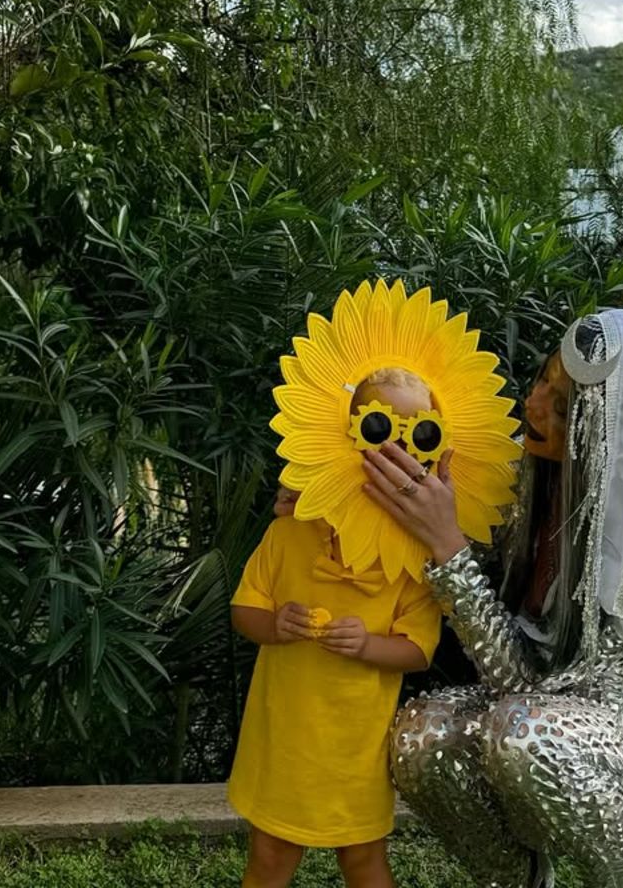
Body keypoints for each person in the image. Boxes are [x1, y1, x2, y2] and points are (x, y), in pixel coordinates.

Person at [361, 309, 623, 888]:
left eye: (564, 409)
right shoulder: (524, 481)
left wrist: (449, 550)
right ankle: (516, 880)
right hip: (533, 720)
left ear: (616, 434)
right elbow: (398, 476)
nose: (533, 408)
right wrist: (311, 516)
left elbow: (530, 687)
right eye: (542, 382)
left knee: (524, 729)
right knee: (422, 736)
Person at [230, 367, 443, 888]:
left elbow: (418, 649)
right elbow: (244, 611)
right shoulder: (289, 533)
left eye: (416, 436)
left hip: (356, 753)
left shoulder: (413, 557)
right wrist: (275, 624)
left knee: (364, 860)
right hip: (283, 743)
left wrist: (369, 645)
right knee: (271, 855)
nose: (393, 454)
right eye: (376, 430)